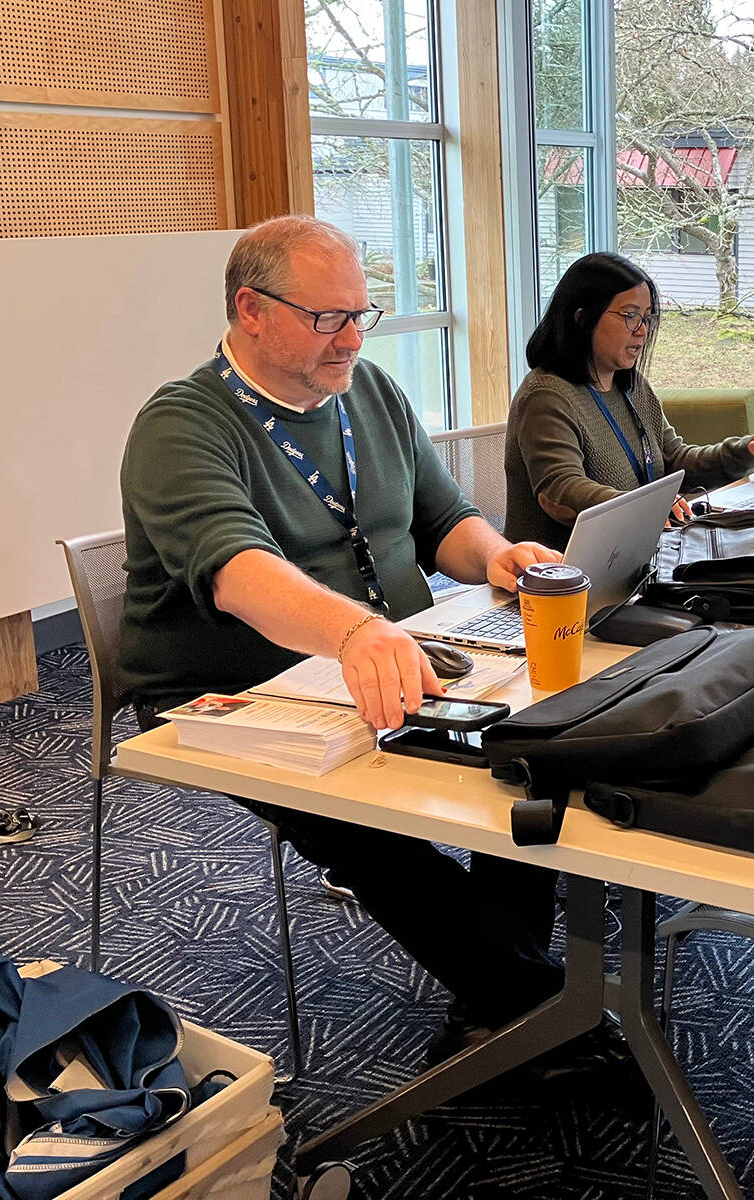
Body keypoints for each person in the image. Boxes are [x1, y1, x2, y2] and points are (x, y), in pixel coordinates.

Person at [119, 215, 586, 1064]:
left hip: (383, 651)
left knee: (537, 750)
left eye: (361, 315)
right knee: (376, 833)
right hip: (238, 683)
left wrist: (497, 557)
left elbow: (442, 518)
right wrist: (357, 631)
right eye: (327, 317)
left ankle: (502, 994)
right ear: (250, 309)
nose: (350, 339)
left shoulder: (365, 392)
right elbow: (238, 570)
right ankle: (536, 1003)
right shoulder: (183, 424)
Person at [503, 252, 754, 547]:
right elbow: (560, 490)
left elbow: (675, 462)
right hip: (564, 577)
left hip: (636, 556)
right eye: (629, 316)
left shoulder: (632, 386)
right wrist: (647, 506)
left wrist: (746, 451)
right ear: (582, 319)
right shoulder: (546, 396)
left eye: (646, 318)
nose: (643, 331)